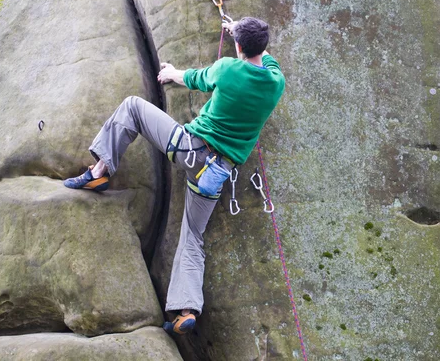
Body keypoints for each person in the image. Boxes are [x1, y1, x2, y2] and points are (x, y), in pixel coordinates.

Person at [63, 17, 285, 334]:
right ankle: (186, 311)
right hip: (216, 174)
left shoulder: (227, 69)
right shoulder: (276, 82)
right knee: (192, 236)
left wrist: (170, 74)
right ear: (261, 47)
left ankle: (100, 171)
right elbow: (267, 61)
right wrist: (239, 30)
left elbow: (195, 78)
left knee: (132, 107)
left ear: (237, 46)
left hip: (187, 150)